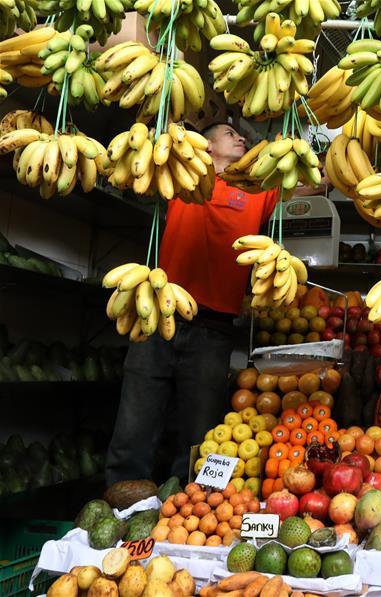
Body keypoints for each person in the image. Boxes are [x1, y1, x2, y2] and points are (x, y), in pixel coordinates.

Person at [106, 122, 327, 484]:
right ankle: (118, 507)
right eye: (229, 133)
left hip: (214, 330)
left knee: (199, 437)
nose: (241, 138)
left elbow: (315, 179)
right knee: (134, 425)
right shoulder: (184, 176)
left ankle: (185, 515)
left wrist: (305, 146)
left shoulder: (258, 189)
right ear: (205, 144)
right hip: (160, 316)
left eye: (241, 135)